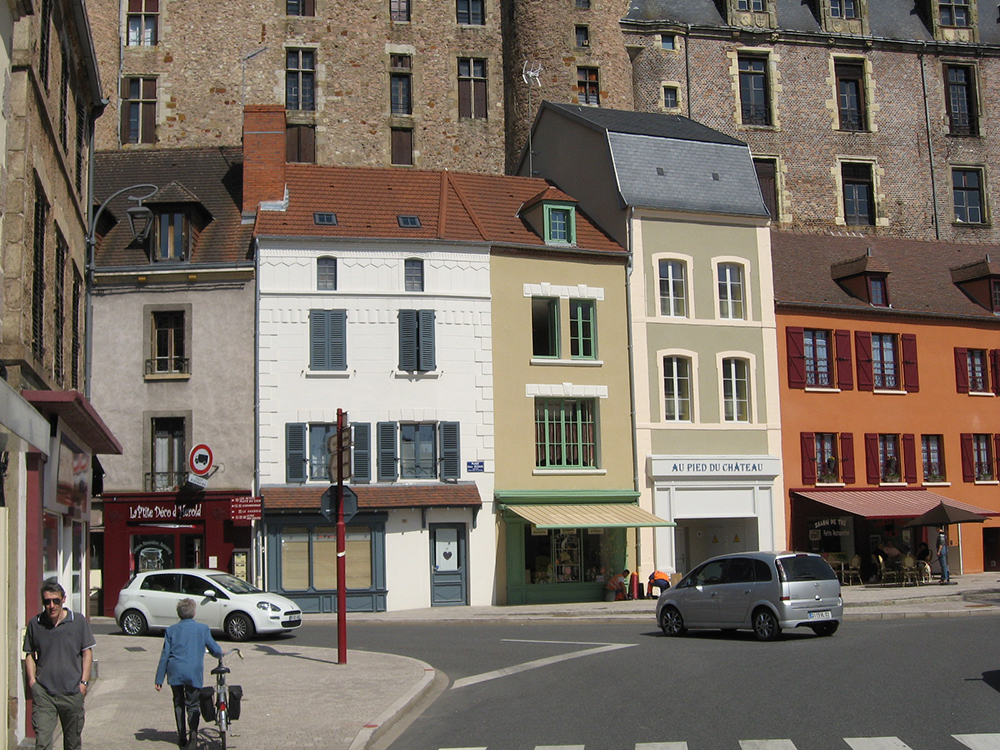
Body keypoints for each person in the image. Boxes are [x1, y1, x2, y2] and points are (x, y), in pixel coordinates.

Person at [23, 579, 95, 750]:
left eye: (56, 600)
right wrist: (33, 682)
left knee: (72, 744)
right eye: (47, 601)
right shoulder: (36, 623)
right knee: (42, 743)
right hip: (45, 694)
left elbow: (87, 653)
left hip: (72, 693)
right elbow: (29, 654)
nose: (52, 605)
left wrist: (84, 683)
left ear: (64, 599)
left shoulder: (78, 622)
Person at [155, 598, 223, 749]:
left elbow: (165, 655)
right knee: (193, 704)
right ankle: (193, 734)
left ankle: (181, 736)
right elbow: (215, 649)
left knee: (178, 703)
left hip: (175, 670)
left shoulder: (171, 630)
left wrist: (159, 677)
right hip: (193, 671)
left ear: (178, 614)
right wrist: (220, 654)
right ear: (194, 613)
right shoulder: (202, 628)